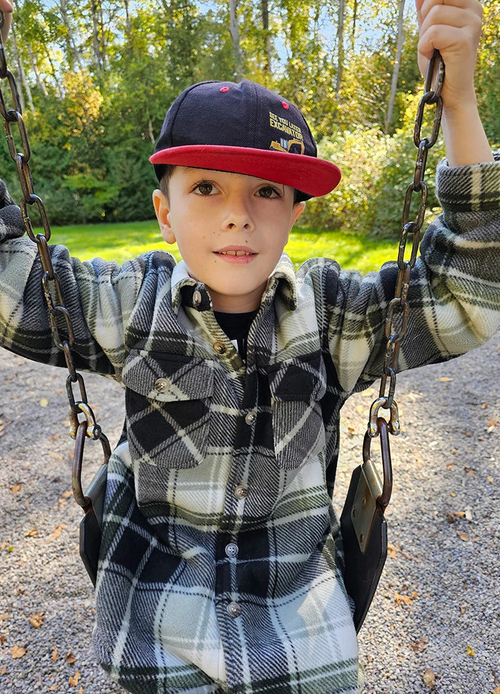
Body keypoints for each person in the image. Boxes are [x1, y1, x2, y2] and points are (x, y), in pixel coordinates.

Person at [0, 1, 499, 693]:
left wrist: (459, 103)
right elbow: (13, 282)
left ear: (295, 211)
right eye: (206, 187)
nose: (237, 214)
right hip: (156, 634)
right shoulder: (129, 306)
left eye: (267, 190)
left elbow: (465, 290)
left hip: (299, 646)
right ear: (165, 213)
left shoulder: (334, 316)